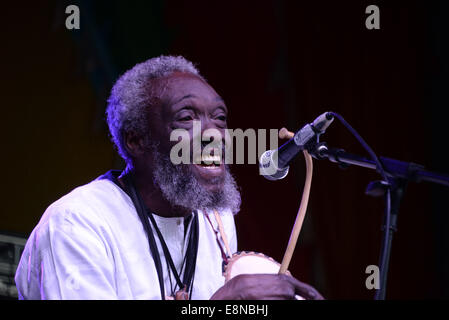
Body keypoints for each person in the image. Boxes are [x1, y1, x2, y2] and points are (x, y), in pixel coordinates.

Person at [14, 55, 323, 300]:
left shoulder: (216, 219)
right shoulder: (76, 225)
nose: (214, 133)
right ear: (136, 140)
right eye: (187, 117)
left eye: (220, 117)